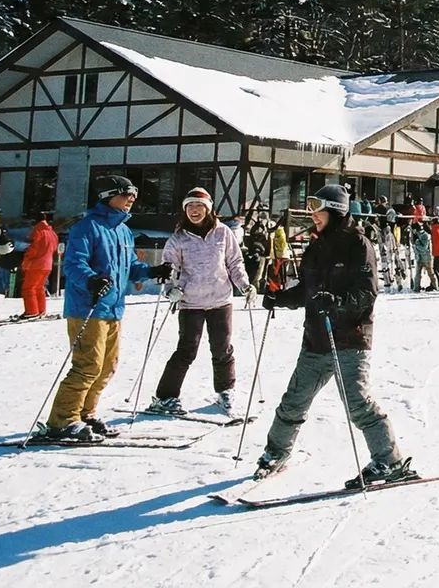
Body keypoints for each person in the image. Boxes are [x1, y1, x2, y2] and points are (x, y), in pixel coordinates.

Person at [256, 184, 413, 486]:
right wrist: (281, 298)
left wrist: (338, 303)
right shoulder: (316, 246)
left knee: (358, 404)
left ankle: (389, 460)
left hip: (350, 339)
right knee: (293, 401)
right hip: (316, 338)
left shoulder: (358, 244)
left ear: (336, 210)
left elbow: (367, 292)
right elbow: (307, 290)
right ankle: (276, 452)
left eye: (318, 209)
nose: (313, 216)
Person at [43, 176, 152, 443]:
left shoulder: (123, 231)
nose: (132, 199)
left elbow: (129, 269)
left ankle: (85, 414)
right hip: (87, 307)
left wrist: (153, 271)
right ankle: (62, 420)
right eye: (127, 194)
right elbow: (73, 265)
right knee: (87, 365)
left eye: (133, 194)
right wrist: (91, 279)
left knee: (107, 366)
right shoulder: (87, 227)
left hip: (114, 307)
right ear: (108, 195)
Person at [146, 188, 253, 416]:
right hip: (190, 302)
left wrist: (244, 285)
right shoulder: (178, 238)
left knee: (222, 349)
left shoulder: (223, 233)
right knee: (186, 350)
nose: (195, 211)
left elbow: (235, 263)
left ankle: (226, 392)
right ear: (185, 210)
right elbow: (169, 268)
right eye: (190, 206)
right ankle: (165, 397)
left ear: (209, 209)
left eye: (199, 206)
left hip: (220, 301)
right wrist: (170, 290)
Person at [21, 212, 58, 317]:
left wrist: (26, 259)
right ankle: (41, 309)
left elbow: (34, 249)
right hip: (48, 264)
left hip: (36, 264)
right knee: (39, 287)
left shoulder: (38, 231)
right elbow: (55, 247)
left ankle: (32, 311)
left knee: (29, 288)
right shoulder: (52, 232)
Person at [410, 209, 435, 291]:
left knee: (430, 273)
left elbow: (424, 247)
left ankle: (435, 285)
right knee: (417, 274)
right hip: (419, 257)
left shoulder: (424, 236)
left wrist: (416, 245)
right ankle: (416, 287)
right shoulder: (417, 235)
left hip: (426, 257)